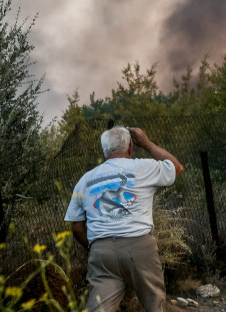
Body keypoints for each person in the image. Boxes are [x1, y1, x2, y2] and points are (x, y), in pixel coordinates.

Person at [64, 126, 184, 312]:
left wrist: (96, 247)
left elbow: (77, 227)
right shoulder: (144, 167)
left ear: (103, 151)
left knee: (99, 309)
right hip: (139, 248)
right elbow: (176, 168)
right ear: (130, 148)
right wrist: (147, 143)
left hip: (102, 252)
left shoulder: (85, 180)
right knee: (154, 304)